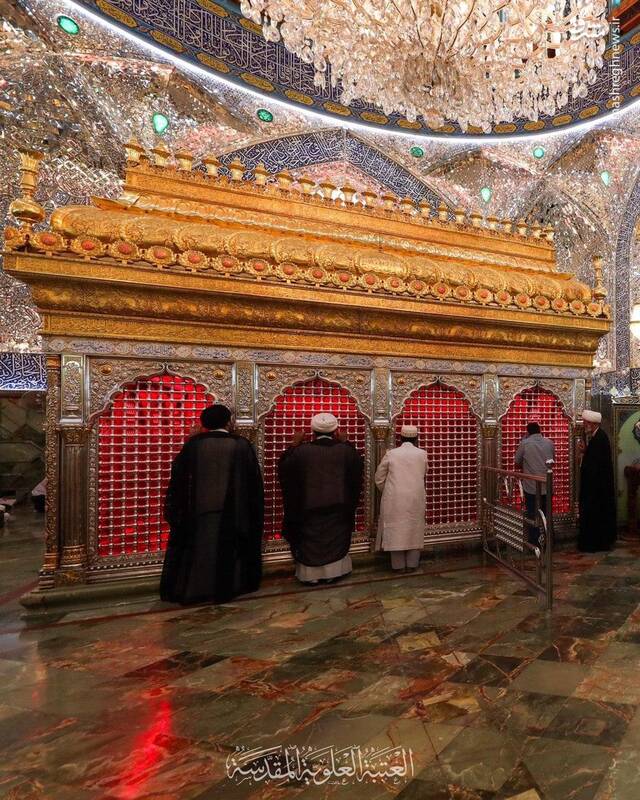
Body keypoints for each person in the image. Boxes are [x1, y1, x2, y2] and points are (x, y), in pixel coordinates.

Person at [160, 404, 264, 604]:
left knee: (200, 551)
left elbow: (180, 477)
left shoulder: (194, 445)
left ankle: (199, 589)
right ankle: (228, 588)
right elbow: (252, 481)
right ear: (228, 422)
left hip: (199, 510)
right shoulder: (240, 444)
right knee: (228, 552)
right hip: (233, 512)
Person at [278, 412, 364, 585]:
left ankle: (311, 577)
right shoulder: (345, 450)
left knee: (310, 542)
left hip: (308, 508)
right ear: (335, 431)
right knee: (335, 539)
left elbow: (285, 471)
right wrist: (346, 442)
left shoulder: (300, 451)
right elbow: (357, 469)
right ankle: (333, 573)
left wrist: (294, 444)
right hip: (339, 506)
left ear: (312, 431)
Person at [374, 425, 428, 572]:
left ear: (400, 438)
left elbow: (379, 478)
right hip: (415, 497)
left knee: (396, 531)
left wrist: (389, 491)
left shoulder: (391, 454)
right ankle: (412, 565)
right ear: (416, 439)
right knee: (414, 529)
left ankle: (398, 566)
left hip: (395, 499)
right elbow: (424, 473)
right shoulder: (422, 454)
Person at [578, 409, 616, 552]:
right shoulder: (597, 437)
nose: (584, 425)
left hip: (597, 488)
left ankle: (594, 544)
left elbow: (594, 465)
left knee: (595, 515)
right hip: (597, 487)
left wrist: (585, 454)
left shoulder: (600, 438)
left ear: (592, 424)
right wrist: (585, 451)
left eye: (585, 423)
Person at [514, 422, 555, 545]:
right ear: (539, 430)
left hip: (531, 487)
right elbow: (552, 461)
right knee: (547, 514)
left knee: (533, 515)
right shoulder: (549, 443)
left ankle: (535, 543)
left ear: (528, 432)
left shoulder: (525, 443)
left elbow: (517, 462)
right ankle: (549, 541)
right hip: (547, 486)